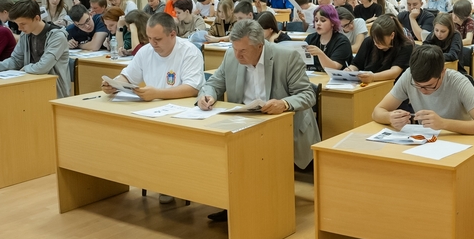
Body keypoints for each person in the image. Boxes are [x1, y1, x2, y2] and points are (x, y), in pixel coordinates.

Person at [369, 44, 474, 239]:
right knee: (392, 184)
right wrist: (390, 118)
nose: (423, 91)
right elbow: (378, 110)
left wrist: (444, 123)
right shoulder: (410, 76)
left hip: (458, 153)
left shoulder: (457, 81)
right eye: (418, 87)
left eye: (429, 86)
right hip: (423, 149)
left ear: (442, 73)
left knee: (436, 193)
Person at [197, 19, 320, 205]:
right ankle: (235, 204)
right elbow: (213, 84)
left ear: (260, 46)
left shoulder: (287, 57)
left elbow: (308, 95)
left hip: (282, 125)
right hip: (245, 122)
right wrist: (207, 95)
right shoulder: (231, 56)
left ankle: (266, 204)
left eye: (243, 50)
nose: (237, 55)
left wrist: (284, 103)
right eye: (234, 48)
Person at [102, 12, 204, 205]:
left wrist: (157, 93)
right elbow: (128, 76)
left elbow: (192, 88)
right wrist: (114, 84)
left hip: (180, 113)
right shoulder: (145, 51)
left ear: (172, 34)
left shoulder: (189, 52)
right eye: (149, 38)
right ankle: (150, 177)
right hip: (152, 110)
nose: (152, 43)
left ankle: (170, 183)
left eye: (157, 39)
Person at [0, 0, 71, 97]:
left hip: (55, 91)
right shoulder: (25, 34)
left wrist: (25, 68)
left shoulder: (57, 36)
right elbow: (16, 60)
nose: (19, 28)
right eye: (17, 24)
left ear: (37, 18)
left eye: (23, 24)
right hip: (30, 85)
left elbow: (42, 67)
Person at [348, 14, 412, 83]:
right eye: (374, 39)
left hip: (390, 85)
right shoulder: (369, 41)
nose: (376, 43)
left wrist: (373, 77)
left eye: (380, 40)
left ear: (392, 35)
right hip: (366, 84)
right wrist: (350, 70)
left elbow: (394, 72)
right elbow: (356, 64)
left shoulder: (405, 47)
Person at [305, 4, 352, 71]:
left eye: (323, 20)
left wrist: (320, 54)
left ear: (333, 22)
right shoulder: (310, 38)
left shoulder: (342, 42)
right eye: (316, 20)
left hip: (334, 77)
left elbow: (335, 67)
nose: (318, 23)